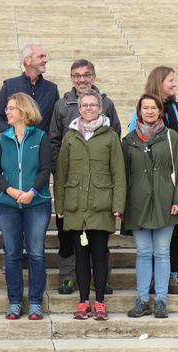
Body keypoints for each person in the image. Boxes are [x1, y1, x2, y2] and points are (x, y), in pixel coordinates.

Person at [50, 59, 121, 295]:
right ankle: (68, 275)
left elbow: (115, 137)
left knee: (99, 239)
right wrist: (61, 176)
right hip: (72, 184)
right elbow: (54, 141)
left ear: (94, 77)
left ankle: (104, 278)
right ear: (71, 79)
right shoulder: (62, 105)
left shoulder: (107, 103)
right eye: (77, 75)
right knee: (67, 235)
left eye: (86, 74)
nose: (82, 79)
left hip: (98, 186)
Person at [122, 93, 178, 319]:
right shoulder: (129, 141)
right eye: (145, 108)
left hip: (165, 202)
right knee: (143, 252)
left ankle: (160, 300)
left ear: (160, 111)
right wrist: (121, 206)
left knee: (161, 252)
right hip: (138, 204)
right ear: (139, 111)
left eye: (154, 108)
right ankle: (141, 299)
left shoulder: (171, 137)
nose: (149, 111)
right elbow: (123, 177)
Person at [128, 66, 178, 294]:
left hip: (173, 177)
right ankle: (152, 279)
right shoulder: (141, 111)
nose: (174, 84)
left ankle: (173, 273)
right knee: (148, 246)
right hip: (146, 182)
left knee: (176, 230)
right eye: (170, 81)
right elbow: (131, 148)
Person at [0, 93, 53, 321]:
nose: (6, 112)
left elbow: (46, 169)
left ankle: (35, 303)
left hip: (37, 204)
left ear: (24, 111)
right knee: (12, 255)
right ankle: (15, 302)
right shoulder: (2, 139)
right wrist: (9, 190)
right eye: (7, 108)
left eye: (11, 108)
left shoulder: (41, 137)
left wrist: (32, 192)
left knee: (36, 254)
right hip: (7, 204)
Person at [0, 42, 59, 134]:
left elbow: (56, 122)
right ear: (27, 60)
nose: (45, 60)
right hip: (15, 146)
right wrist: (13, 136)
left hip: (42, 146)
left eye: (45, 56)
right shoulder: (9, 86)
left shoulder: (52, 89)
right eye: (41, 57)